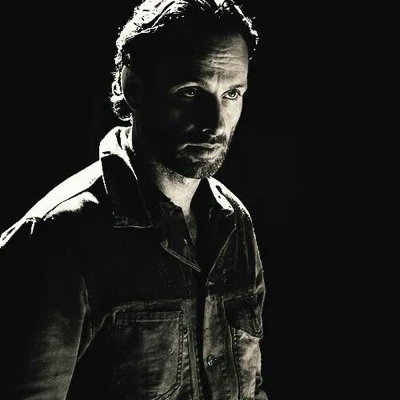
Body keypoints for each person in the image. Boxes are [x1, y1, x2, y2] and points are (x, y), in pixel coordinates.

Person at [1, 0, 268, 399]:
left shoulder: (233, 223)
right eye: (191, 92)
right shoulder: (61, 239)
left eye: (232, 93)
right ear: (134, 87)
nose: (215, 123)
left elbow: (250, 387)